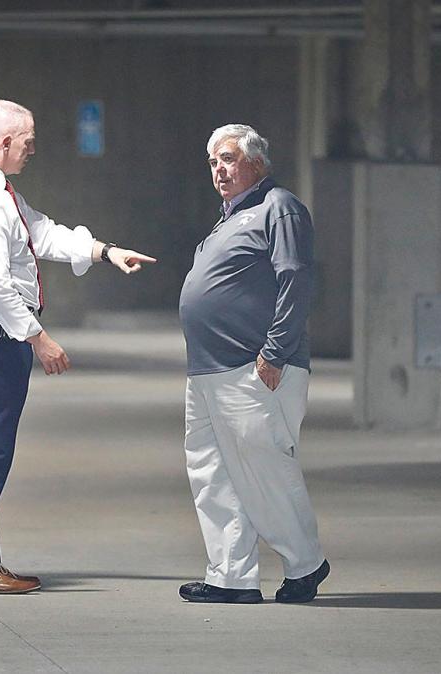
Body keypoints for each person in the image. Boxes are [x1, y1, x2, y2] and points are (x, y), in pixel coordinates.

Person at [0, 100, 156, 594]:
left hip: (1, 335)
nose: (32, 150)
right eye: (28, 142)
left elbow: (39, 232)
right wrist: (38, 338)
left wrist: (105, 252)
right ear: (5, 142)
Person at [176, 124, 329, 604]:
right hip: (207, 370)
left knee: (265, 470)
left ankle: (306, 564)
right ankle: (231, 577)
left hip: (254, 367)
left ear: (256, 163)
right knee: (213, 476)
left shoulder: (277, 207)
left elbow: (296, 279)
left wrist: (274, 353)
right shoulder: (227, 220)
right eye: (213, 163)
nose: (219, 170)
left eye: (228, 159)